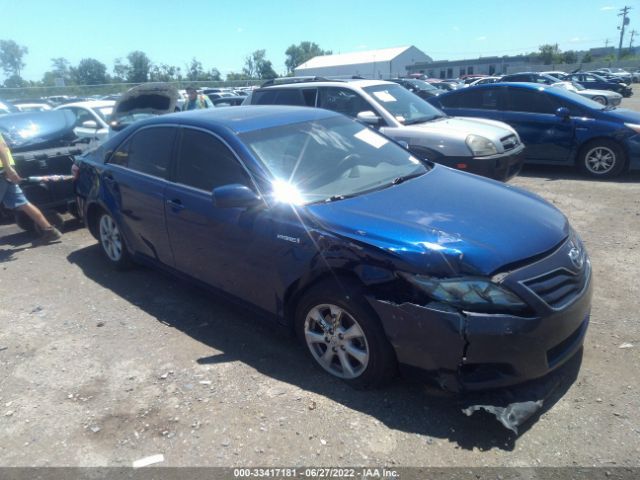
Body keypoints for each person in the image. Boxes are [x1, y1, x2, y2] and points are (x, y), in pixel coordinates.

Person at [0, 133, 62, 242]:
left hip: (2, 171)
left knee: (23, 203)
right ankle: (49, 230)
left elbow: (1, 148)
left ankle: (50, 230)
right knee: (23, 203)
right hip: (4, 171)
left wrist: (8, 169)